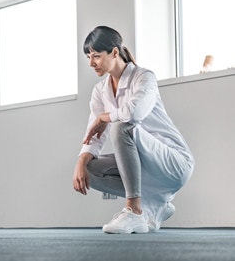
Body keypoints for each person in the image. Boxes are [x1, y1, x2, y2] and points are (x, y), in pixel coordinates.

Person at [72, 25, 194, 234]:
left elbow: (134, 114)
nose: (91, 63)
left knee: (121, 126)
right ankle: (156, 204)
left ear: (115, 52)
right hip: (144, 166)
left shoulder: (144, 77)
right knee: (90, 170)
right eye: (88, 58)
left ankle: (134, 211)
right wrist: (81, 161)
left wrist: (105, 117)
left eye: (96, 56)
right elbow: (94, 134)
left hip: (174, 163)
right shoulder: (100, 90)